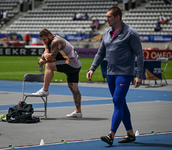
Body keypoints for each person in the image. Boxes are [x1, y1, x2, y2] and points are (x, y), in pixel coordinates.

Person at [86, 7, 144, 146]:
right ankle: (130, 134)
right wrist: (92, 68)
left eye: (109, 16)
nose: (106, 19)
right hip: (110, 74)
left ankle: (111, 135)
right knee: (121, 103)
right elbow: (100, 53)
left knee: (117, 101)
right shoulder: (106, 33)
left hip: (125, 74)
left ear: (117, 17)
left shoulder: (131, 33)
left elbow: (140, 54)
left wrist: (139, 74)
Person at [32, 28, 82, 118]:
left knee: (49, 65)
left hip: (70, 63)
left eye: (44, 39)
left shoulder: (56, 41)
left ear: (50, 36)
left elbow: (51, 59)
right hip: (76, 65)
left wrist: (42, 61)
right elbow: (46, 48)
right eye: (42, 40)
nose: (44, 42)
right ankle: (78, 112)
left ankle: (45, 90)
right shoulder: (50, 40)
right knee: (74, 88)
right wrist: (45, 54)